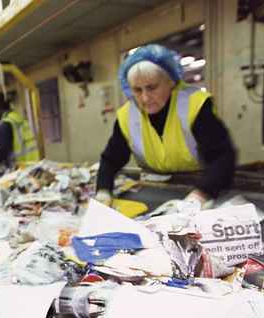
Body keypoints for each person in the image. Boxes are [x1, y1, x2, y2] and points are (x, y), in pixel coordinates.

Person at [95, 44, 236, 207]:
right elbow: (111, 159)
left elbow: (222, 157)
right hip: (156, 188)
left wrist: (201, 194)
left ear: (171, 81)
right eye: (137, 90)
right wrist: (103, 191)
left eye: (152, 87)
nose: (145, 98)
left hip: (201, 186)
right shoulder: (127, 115)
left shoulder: (194, 105)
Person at [0, 92, 39, 167]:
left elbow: (1, 152)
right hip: (33, 163)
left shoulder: (5, 124)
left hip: (20, 167)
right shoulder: (18, 118)